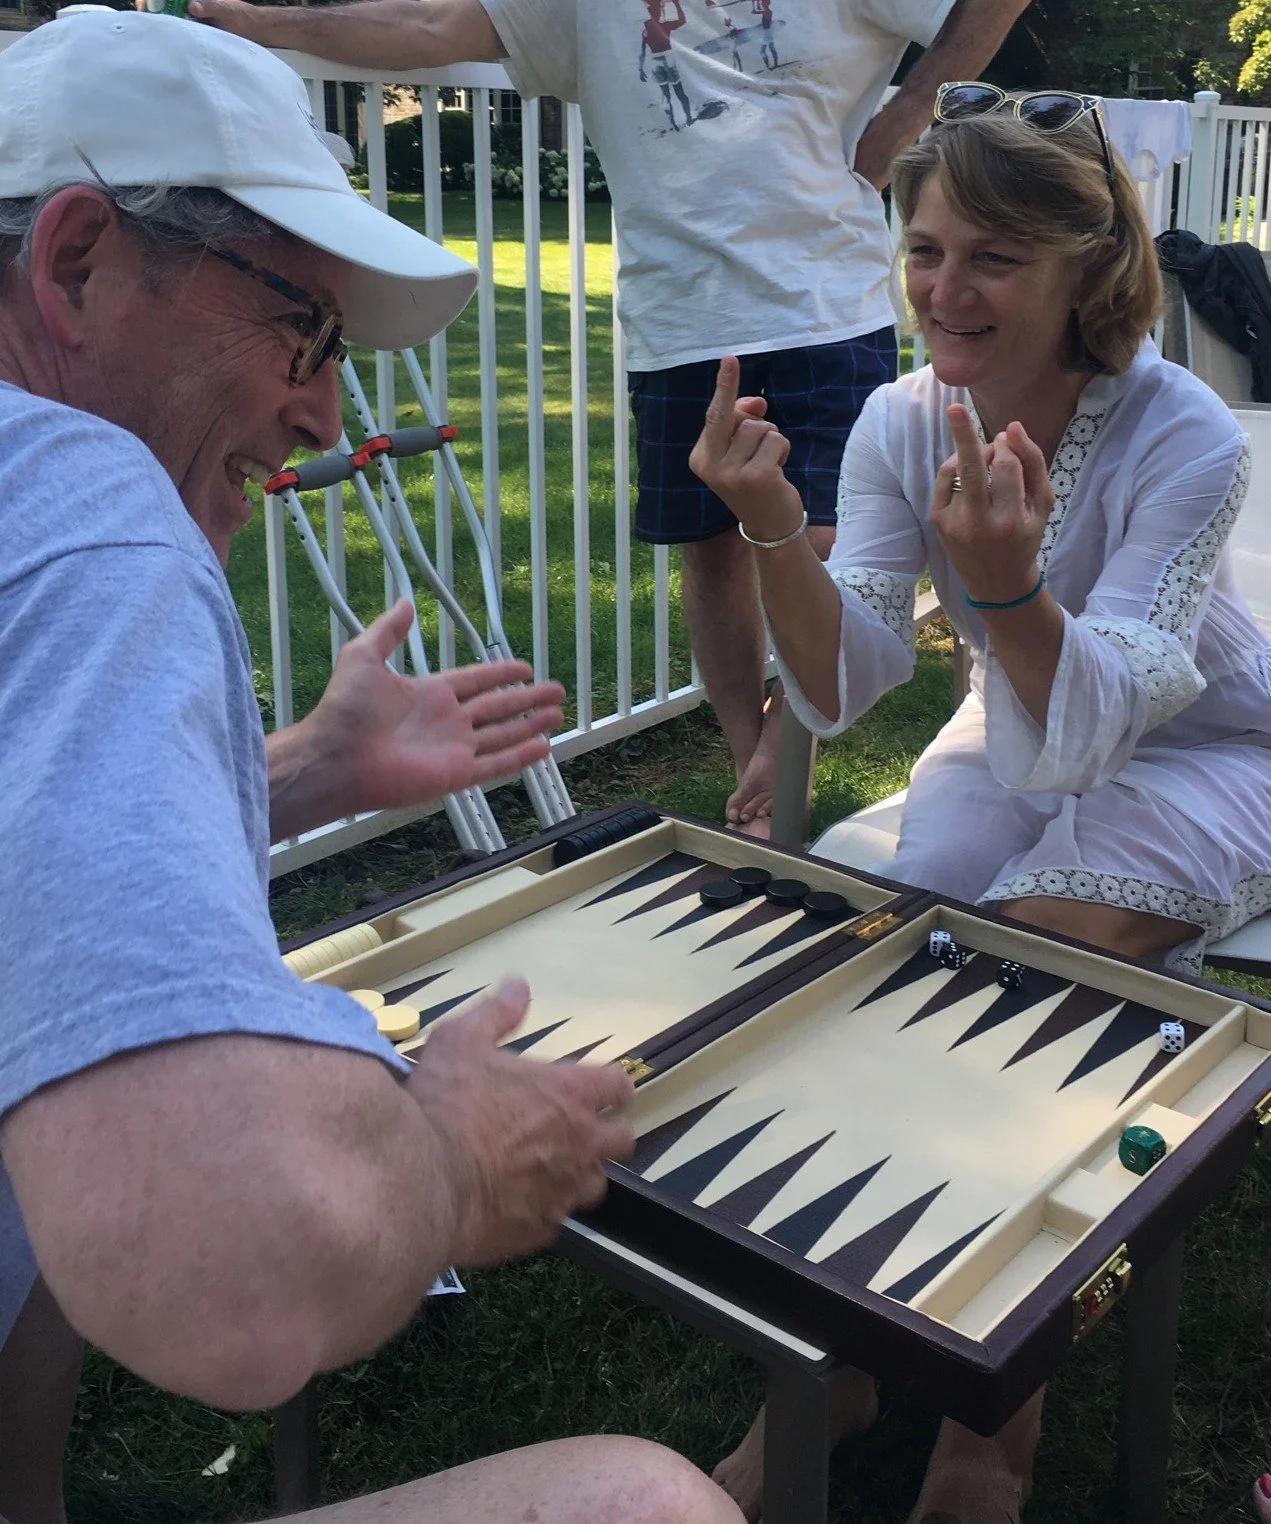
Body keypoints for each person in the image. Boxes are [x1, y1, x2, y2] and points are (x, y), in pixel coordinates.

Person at [0, 15, 744, 1524]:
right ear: (77, 260)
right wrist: (451, 1158)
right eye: (303, 332)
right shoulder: (80, 507)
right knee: (647, 1506)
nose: (325, 412)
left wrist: (298, 771)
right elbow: (227, 1274)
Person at [690, 83, 1271, 1523]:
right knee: (896, 952)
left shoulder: (1184, 434)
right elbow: (843, 680)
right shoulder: (901, 419)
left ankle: (987, 1412)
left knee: (1027, 957)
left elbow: (1101, 725)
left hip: (1213, 749)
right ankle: (844, 1340)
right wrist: (771, 527)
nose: (943, 291)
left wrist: (1005, 588)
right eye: (925, 248)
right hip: (1010, 724)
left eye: (991, 258)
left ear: (1087, 268)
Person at [187, 0, 1028, 838]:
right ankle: (751, 759)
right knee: (709, 553)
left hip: (819, 304)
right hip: (675, 318)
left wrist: (912, 109)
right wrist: (271, 27)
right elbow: (433, 27)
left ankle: (789, 742)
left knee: (813, 542)